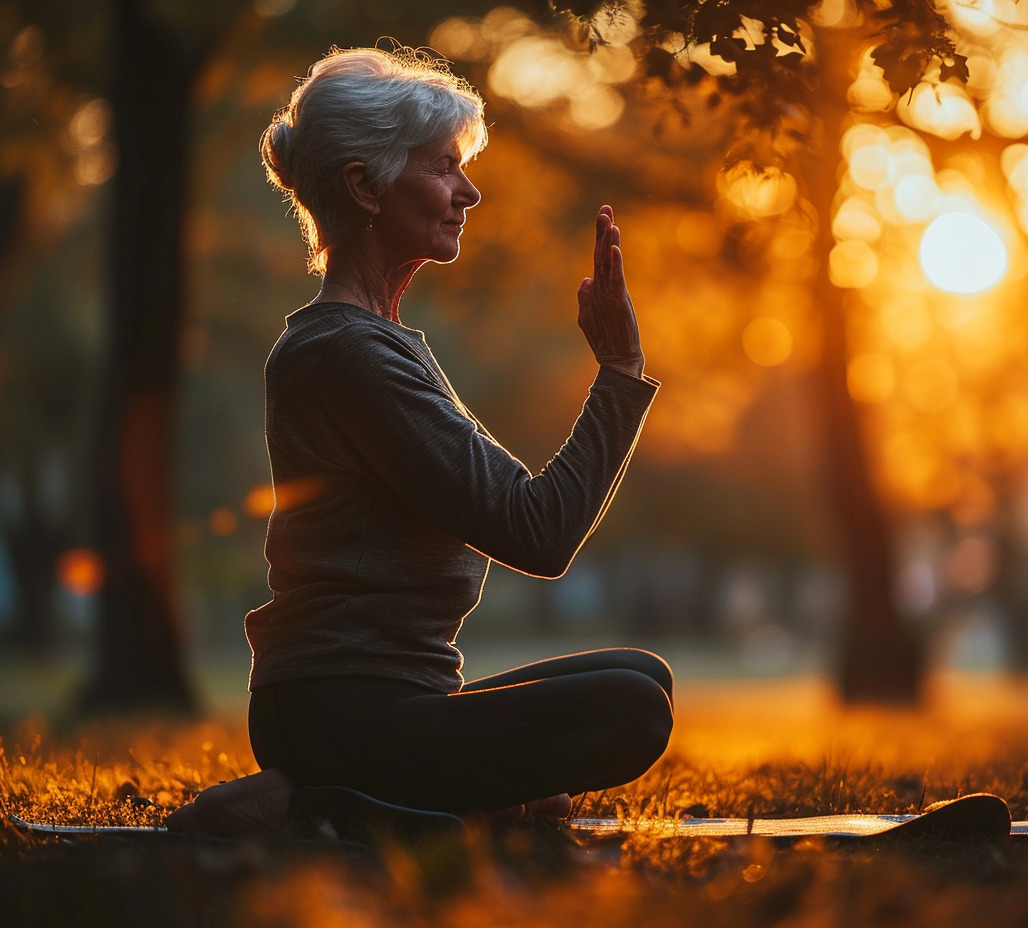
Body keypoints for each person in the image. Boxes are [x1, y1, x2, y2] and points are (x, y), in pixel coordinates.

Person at [168, 46, 672, 835]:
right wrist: (620, 372)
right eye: (444, 168)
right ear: (366, 186)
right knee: (632, 708)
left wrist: (619, 375)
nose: (468, 192)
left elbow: (525, 511)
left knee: (641, 675)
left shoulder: (379, 342)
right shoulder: (347, 354)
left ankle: (434, 796)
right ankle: (312, 802)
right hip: (339, 710)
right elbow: (539, 532)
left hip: (399, 695)